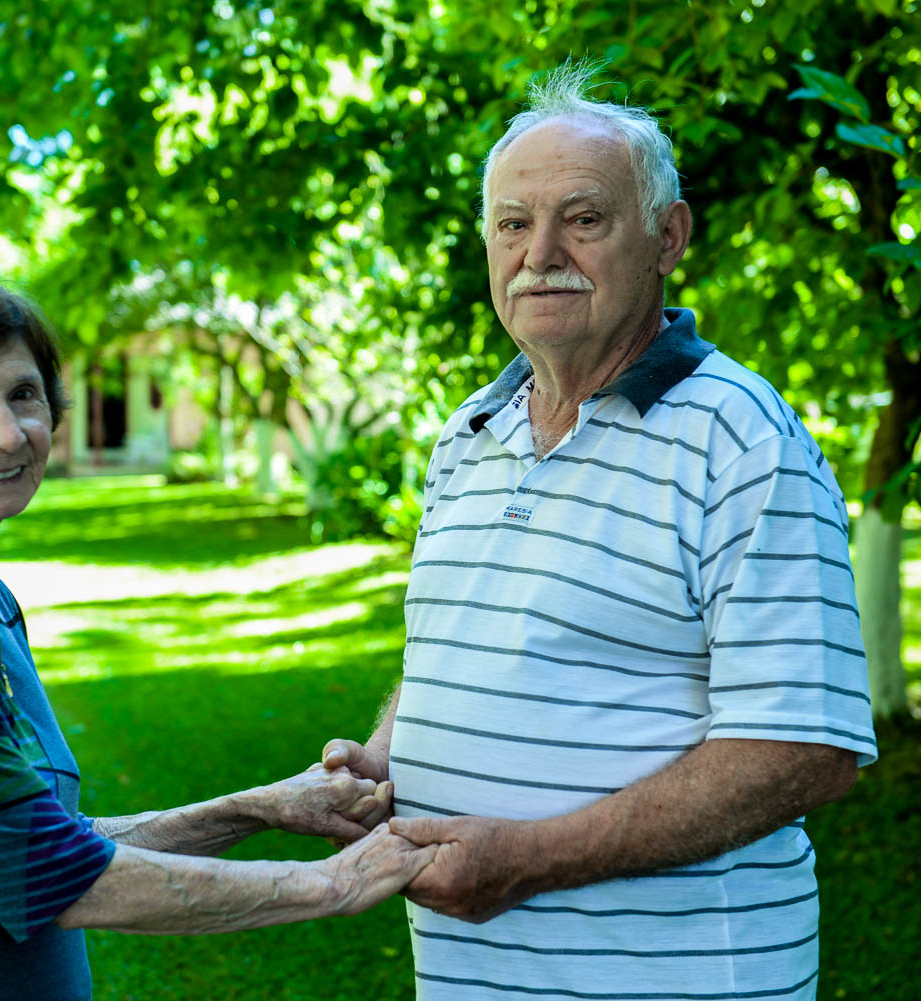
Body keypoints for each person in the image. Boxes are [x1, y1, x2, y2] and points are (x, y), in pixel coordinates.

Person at [319, 64, 878, 999]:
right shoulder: (470, 433)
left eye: (583, 219)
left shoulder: (741, 440)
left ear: (668, 238)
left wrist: (528, 859)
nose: (540, 253)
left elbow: (803, 753)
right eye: (512, 224)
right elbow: (465, 646)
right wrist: (385, 753)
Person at [0, 256, 430, 1001]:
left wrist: (266, 806)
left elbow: (33, 837)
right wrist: (335, 883)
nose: (8, 432)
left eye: (23, 393)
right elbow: (55, 876)